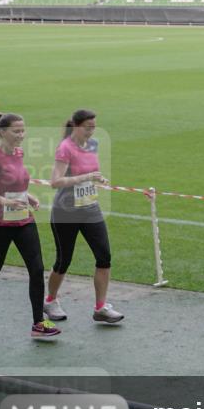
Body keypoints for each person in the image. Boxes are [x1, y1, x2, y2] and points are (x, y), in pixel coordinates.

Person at [0, 113, 61, 339]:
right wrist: (6, 202)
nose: (21, 135)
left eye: (23, 130)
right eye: (16, 131)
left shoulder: (18, 153)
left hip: (23, 219)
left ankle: (38, 323)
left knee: (36, 269)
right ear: (2, 132)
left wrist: (28, 196)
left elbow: (14, 183)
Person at [43, 109, 124, 324]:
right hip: (66, 211)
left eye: (94, 127)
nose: (92, 130)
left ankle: (100, 308)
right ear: (77, 126)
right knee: (63, 260)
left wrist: (97, 179)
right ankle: (50, 300)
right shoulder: (65, 148)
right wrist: (85, 177)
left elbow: (90, 171)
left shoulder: (93, 144)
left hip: (90, 208)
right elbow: (55, 182)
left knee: (104, 256)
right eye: (88, 127)